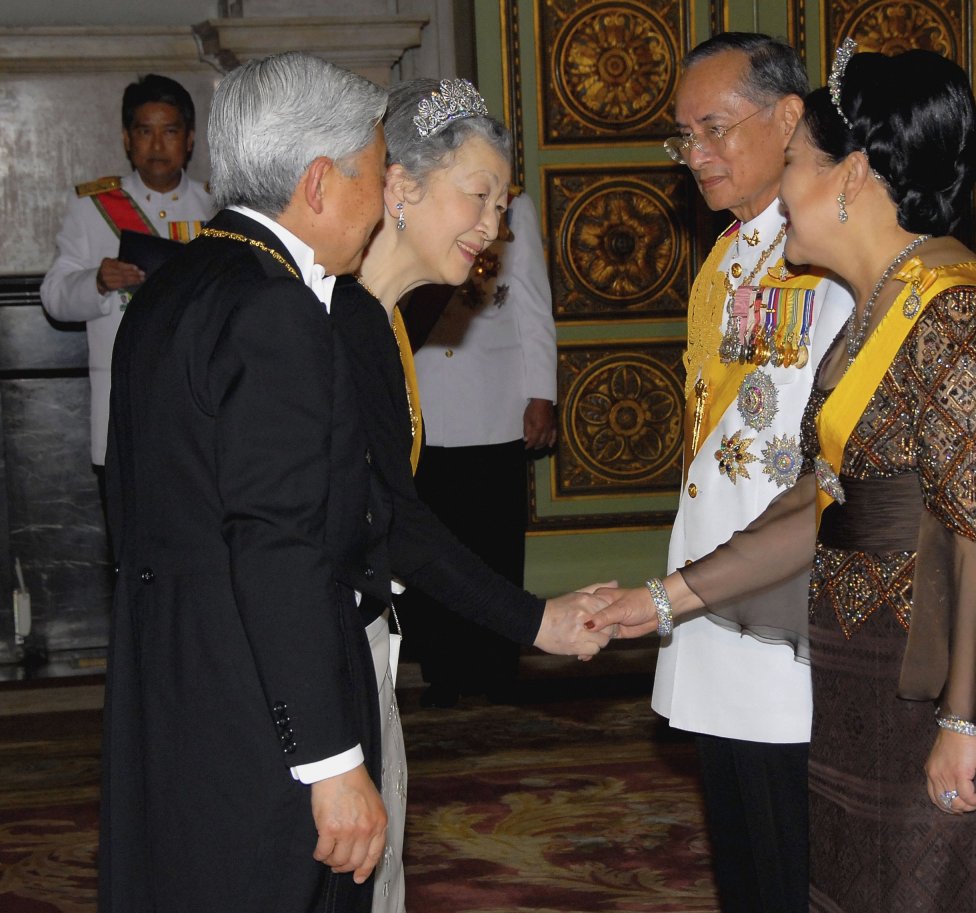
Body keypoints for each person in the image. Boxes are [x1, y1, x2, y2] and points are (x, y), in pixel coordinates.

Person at [589, 43, 976, 912]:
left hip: (961, 673)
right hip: (877, 669)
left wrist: (966, 719)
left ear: (854, 176)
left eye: (795, 161)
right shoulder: (879, 307)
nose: (780, 185)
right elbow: (829, 501)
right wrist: (667, 600)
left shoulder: (956, 314)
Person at [102, 52, 395, 913]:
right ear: (319, 181)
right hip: (262, 712)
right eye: (377, 176)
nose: (382, 206)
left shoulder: (173, 286)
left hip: (176, 685)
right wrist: (332, 761)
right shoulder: (278, 310)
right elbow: (280, 545)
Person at [329, 77, 611, 912]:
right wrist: (541, 621)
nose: (494, 227)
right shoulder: (335, 323)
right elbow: (397, 525)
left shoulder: (380, 321)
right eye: (479, 196)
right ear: (402, 187)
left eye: (503, 202)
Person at [651, 32, 852, 913]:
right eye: (683, 136)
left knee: (790, 859)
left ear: (789, 118)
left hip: (785, 620)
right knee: (740, 855)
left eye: (715, 129)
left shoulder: (833, 256)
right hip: (712, 600)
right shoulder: (731, 253)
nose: (696, 154)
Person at [399, 186, 558, 708]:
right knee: (434, 543)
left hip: (492, 403)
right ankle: (442, 668)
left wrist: (542, 395)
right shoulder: (409, 197)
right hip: (424, 398)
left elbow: (533, 304)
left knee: (492, 545)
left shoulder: (512, 205)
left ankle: (494, 665)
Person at [41, 73, 215, 490]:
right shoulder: (92, 206)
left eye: (170, 131)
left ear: (189, 139)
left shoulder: (217, 205)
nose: (157, 145)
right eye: (144, 131)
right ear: (126, 138)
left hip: (200, 404)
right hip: (125, 402)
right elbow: (54, 298)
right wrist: (96, 282)